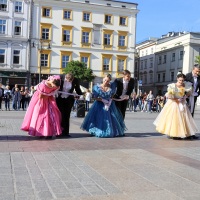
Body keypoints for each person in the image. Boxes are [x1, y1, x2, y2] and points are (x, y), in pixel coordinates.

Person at [153, 73, 198, 140]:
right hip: (173, 103)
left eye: (182, 80)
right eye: (180, 80)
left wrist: (184, 97)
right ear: (177, 79)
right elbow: (169, 96)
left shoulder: (186, 85)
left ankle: (185, 133)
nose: (181, 82)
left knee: (184, 118)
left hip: (182, 103)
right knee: (174, 119)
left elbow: (189, 93)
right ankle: (174, 134)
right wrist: (177, 99)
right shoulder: (172, 86)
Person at [56, 73, 82, 137]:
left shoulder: (75, 80)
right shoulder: (60, 77)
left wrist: (80, 95)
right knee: (60, 115)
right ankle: (59, 132)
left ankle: (66, 132)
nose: (70, 82)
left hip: (69, 99)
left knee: (67, 115)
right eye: (69, 80)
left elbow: (77, 88)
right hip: (60, 99)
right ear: (66, 78)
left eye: (71, 81)